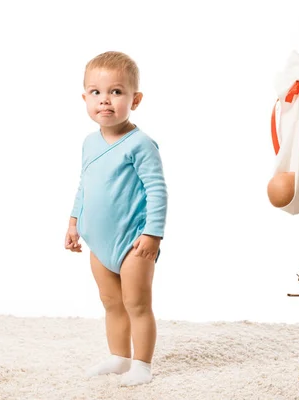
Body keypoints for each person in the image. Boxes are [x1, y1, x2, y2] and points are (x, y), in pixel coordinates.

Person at [64, 51, 168, 387]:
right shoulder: (89, 143)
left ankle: (142, 364)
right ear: (84, 98)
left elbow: (157, 190)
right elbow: (85, 184)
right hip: (98, 241)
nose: (105, 100)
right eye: (96, 92)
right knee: (111, 303)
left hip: (133, 242)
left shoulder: (140, 144)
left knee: (136, 303)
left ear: (135, 99)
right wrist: (73, 222)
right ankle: (120, 357)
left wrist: (153, 234)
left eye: (116, 92)